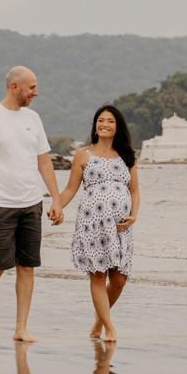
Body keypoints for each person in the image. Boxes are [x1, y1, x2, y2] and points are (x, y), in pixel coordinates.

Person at [0, 66, 64, 343]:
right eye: (32, 87)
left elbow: (44, 161)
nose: (36, 92)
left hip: (31, 203)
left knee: (27, 266)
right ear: (15, 87)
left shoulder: (33, 118)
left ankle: (21, 327)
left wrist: (56, 198)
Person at [59, 104, 139, 342]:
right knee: (98, 276)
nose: (104, 124)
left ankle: (98, 321)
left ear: (118, 127)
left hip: (121, 227)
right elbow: (71, 189)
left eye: (110, 121)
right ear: (95, 125)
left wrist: (134, 215)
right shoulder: (83, 154)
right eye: (100, 120)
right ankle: (109, 328)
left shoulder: (127, 156)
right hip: (92, 223)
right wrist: (55, 206)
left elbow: (134, 191)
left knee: (119, 280)